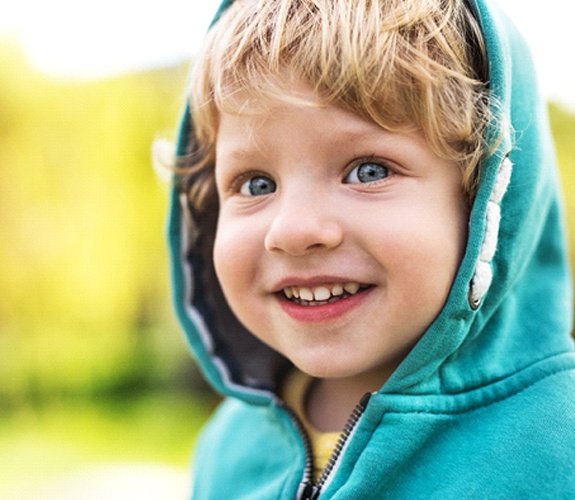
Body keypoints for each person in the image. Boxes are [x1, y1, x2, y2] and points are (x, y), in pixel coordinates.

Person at [165, 0, 575, 497]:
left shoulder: (557, 443)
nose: (293, 230)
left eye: (369, 171)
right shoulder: (229, 447)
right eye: (255, 184)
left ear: (486, 200)